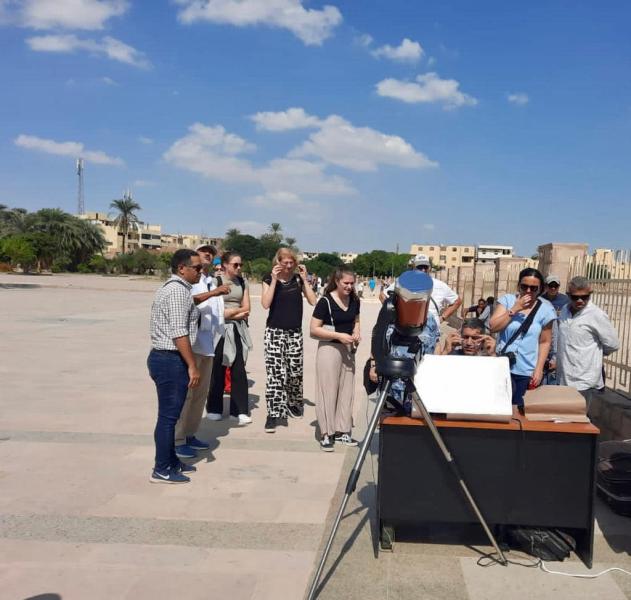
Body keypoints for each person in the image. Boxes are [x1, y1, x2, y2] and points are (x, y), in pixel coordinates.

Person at [147, 249, 202, 484]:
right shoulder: (178, 291)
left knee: (171, 416)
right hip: (170, 359)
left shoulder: (175, 288)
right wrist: (192, 365)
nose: (201, 272)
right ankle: (161, 469)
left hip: (166, 358)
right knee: (168, 418)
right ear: (182, 268)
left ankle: (171, 461)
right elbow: (179, 332)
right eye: (197, 268)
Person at [173, 245, 230, 459]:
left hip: (208, 344)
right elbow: (190, 302)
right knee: (187, 396)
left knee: (199, 396)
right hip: (193, 345)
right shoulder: (189, 282)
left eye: (211, 254)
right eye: (204, 252)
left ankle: (189, 434)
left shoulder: (208, 280)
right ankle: (178, 439)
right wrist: (215, 292)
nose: (208, 255)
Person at [261, 248, 316, 433]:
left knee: (295, 372)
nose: (289, 266)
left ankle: (293, 402)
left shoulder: (298, 279)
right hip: (274, 332)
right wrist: (274, 280)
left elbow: (313, 301)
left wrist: (305, 279)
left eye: (292, 262)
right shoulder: (268, 278)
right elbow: (265, 304)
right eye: (285, 262)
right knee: (275, 374)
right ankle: (273, 413)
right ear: (278, 262)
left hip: (294, 332)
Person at [310, 267, 361, 452]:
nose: (349, 287)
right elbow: (313, 329)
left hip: (348, 349)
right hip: (329, 347)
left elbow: (356, 320)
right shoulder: (325, 301)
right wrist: (339, 335)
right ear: (337, 281)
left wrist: (356, 333)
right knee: (328, 391)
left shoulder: (355, 300)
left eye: (352, 283)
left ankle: (342, 430)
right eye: (346, 283)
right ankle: (326, 433)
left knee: (347, 391)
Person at [489, 268, 557, 406]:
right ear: (518, 285)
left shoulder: (546, 309)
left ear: (540, 289)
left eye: (533, 288)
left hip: (526, 370)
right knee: (499, 407)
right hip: (502, 365)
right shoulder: (508, 301)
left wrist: (538, 369)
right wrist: (515, 309)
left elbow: (545, 341)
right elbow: (493, 326)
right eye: (524, 286)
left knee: (520, 410)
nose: (528, 291)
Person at [556, 276, 620, 408]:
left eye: (585, 297)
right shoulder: (564, 310)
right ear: (568, 295)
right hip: (563, 378)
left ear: (590, 294)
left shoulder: (596, 315)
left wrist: (592, 353)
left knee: (579, 419)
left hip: (585, 382)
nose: (580, 301)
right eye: (575, 297)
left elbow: (612, 344)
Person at [206, 252, 253, 425]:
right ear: (225, 264)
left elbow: (247, 308)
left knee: (238, 369)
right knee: (217, 368)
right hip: (219, 330)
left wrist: (230, 313)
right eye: (235, 264)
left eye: (240, 264)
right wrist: (234, 313)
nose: (239, 268)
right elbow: (214, 310)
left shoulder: (243, 282)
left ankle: (239, 410)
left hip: (237, 329)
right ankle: (214, 408)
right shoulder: (215, 282)